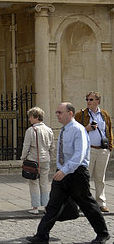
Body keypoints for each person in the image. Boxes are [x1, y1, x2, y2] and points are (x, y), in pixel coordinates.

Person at [27, 102, 110, 244]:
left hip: (77, 174)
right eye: (57, 112)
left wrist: (64, 170)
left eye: (60, 112)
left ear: (70, 113)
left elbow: (79, 154)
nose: (57, 115)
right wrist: (60, 169)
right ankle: (42, 235)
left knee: (87, 205)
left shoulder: (78, 130)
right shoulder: (65, 129)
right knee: (52, 205)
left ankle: (103, 234)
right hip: (63, 173)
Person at [74, 91, 113, 213]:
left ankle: (101, 203)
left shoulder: (104, 114)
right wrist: (87, 128)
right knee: (85, 177)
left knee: (100, 178)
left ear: (98, 101)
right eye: (87, 99)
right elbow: (76, 131)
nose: (88, 102)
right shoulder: (81, 114)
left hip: (102, 150)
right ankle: (84, 203)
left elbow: (109, 130)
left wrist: (109, 146)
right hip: (88, 149)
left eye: (91, 99)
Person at [21, 107, 54, 214]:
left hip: (34, 160)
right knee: (44, 182)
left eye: (30, 117)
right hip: (46, 159)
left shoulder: (31, 130)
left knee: (33, 182)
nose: (29, 119)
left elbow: (26, 146)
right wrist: (50, 156)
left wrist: (23, 157)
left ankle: (35, 207)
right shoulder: (49, 130)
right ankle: (45, 206)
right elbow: (52, 147)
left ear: (35, 117)